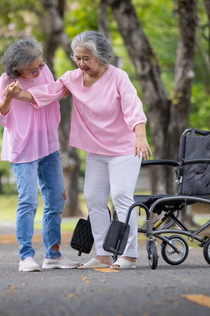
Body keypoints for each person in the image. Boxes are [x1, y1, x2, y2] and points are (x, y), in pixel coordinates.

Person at [9, 31, 152, 270]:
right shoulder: (73, 79)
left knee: (120, 197)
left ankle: (129, 255)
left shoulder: (118, 77)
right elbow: (49, 92)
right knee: (95, 199)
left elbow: (133, 107)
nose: (81, 63)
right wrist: (19, 95)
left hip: (124, 150)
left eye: (87, 58)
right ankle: (104, 253)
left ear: (101, 57)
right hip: (96, 150)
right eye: (78, 58)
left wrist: (140, 136)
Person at [0, 37, 78, 272]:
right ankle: (26, 256)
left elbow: (52, 93)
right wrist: (8, 96)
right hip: (22, 148)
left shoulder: (44, 70)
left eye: (40, 65)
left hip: (48, 144)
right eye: (32, 70)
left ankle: (53, 255)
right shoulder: (7, 80)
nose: (39, 71)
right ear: (17, 70)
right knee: (28, 201)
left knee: (57, 199)